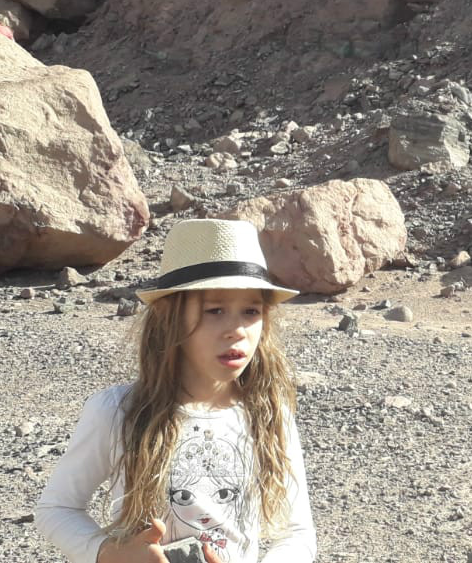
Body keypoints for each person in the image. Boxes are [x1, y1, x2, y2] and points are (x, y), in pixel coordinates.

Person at [35, 219, 317, 563]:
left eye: (251, 311)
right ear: (169, 316)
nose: (237, 330)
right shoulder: (117, 411)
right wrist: (110, 554)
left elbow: (297, 534)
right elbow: (57, 509)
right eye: (215, 310)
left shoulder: (270, 415)